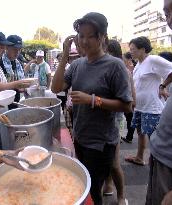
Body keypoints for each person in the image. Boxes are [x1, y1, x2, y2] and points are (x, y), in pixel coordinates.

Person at [51, 12, 132, 205]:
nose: (84, 41)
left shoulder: (115, 66)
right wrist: (64, 56)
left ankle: (118, 196)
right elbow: (55, 88)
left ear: (102, 37)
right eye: (81, 36)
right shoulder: (77, 64)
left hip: (101, 142)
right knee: (84, 184)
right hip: (80, 136)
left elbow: (127, 105)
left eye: (90, 36)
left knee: (93, 191)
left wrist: (92, 100)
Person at [125, 36, 172, 166]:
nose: (131, 52)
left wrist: (162, 86)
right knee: (140, 133)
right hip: (140, 107)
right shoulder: (138, 65)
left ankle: (158, 163)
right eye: (130, 49)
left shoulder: (152, 60)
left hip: (152, 108)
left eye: (133, 49)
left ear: (142, 49)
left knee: (154, 137)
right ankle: (139, 158)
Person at [145, 1, 172, 204]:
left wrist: (163, 86)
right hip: (161, 156)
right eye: (166, 12)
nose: (171, 19)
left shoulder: (154, 60)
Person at [103, 39, 129, 205]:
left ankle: (121, 196)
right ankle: (108, 185)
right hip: (102, 121)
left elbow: (130, 103)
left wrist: (96, 100)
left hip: (115, 121)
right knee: (106, 159)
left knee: (113, 162)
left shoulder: (119, 68)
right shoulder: (102, 66)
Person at [0, 35, 25, 109]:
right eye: (15, 49)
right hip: (2, 104)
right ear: (6, 47)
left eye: (19, 49)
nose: (17, 52)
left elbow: (21, 81)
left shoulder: (17, 63)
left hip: (15, 101)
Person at [121, 52, 137, 143]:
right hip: (128, 96)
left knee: (129, 118)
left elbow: (132, 86)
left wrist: (134, 100)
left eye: (124, 59)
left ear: (129, 60)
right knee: (127, 118)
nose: (123, 61)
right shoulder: (127, 69)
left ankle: (129, 137)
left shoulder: (131, 69)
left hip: (128, 97)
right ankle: (128, 136)